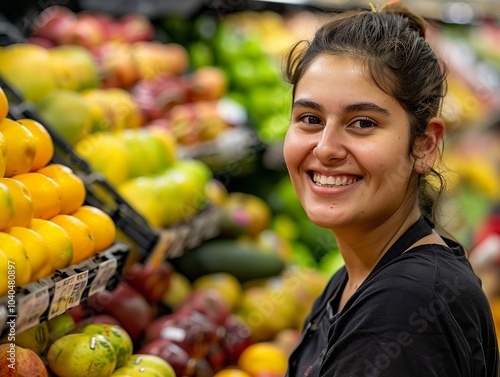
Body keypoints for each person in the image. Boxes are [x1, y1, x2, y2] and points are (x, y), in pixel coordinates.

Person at [281, 1, 499, 376]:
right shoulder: (355, 280)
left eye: (362, 123)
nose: (325, 148)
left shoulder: (403, 310)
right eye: (310, 119)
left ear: (424, 146)